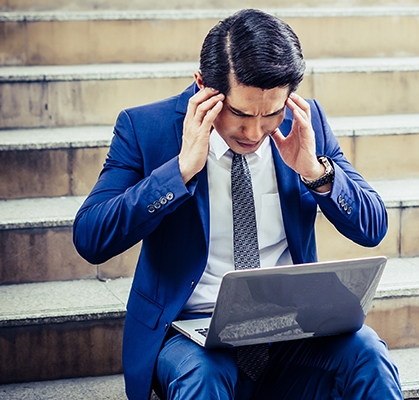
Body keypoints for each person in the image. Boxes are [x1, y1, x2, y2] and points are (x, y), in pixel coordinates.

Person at [73, 8, 402, 400]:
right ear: (202, 87)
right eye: (240, 114)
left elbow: (373, 227)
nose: (255, 132)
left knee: (368, 353)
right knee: (203, 376)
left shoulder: (303, 123)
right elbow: (90, 237)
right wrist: (178, 172)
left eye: (271, 113)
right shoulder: (147, 128)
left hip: (289, 330)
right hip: (191, 332)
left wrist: (315, 171)